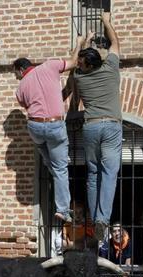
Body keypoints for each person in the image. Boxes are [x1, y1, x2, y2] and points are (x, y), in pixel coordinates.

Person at [13, 35, 85, 224]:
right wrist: (78, 44)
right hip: (55, 125)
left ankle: (53, 167)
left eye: (17, 74)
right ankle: (62, 209)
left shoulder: (21, 87)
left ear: (21, 70)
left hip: (35, 127)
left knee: (50, 160)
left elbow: (25, 104)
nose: (17, 78)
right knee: (61, 169)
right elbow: (73, 62)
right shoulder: (51, 65)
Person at [71, 12, 122, 241]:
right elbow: (115, 43)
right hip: (111, 126)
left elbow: (76, 60)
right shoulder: (110, 68)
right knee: (109, 173)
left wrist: (83, 41)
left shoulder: (80, 77)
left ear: (86, 64)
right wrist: (106, 22)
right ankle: (103, 219)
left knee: (93, 174)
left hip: (90, 127)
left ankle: (94, 219)